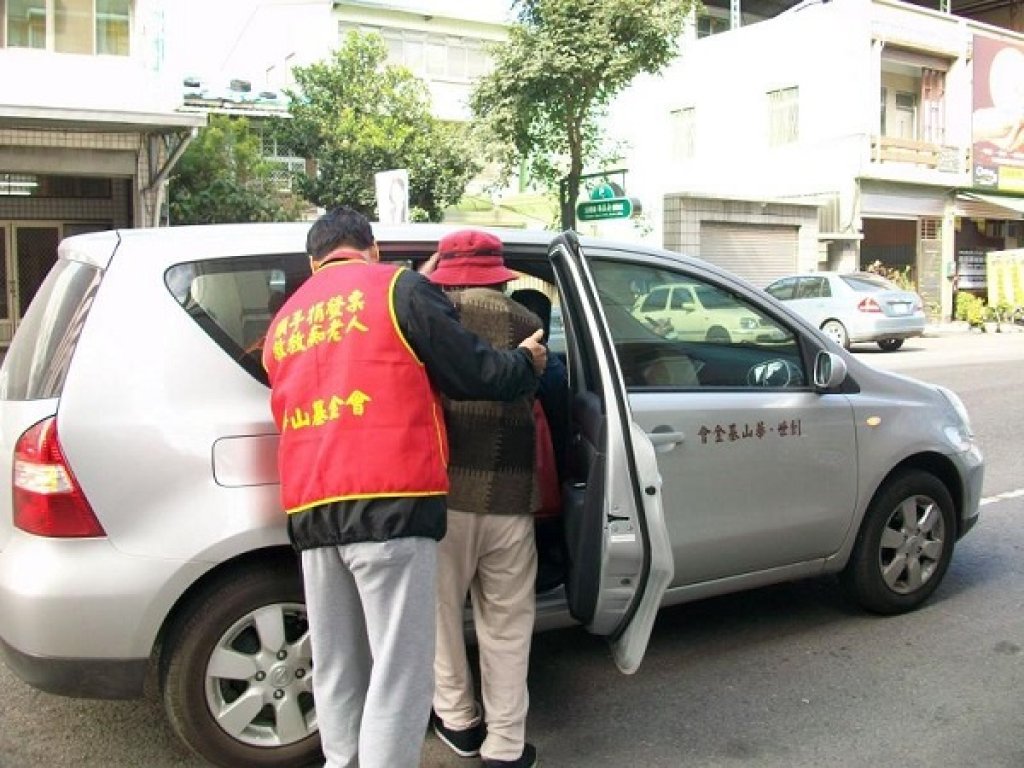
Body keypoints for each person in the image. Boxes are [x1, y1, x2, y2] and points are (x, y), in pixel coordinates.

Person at [261, 208, 546, 768]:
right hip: (391, 501)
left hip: (312, 509)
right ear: (370, 248)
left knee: (340, 666)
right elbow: (474, 373)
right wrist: (525, 362)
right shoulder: (399, 288)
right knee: (399, 672)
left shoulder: (287, 318)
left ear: (313, 261)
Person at [427, 229, 543, 768]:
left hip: (442, 495)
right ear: (500, 273)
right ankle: (505, 745)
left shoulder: (429, 320)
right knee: (507, 625)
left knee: (441, 616)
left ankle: (459, 721)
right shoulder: (526, 323)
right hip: (510, 494)